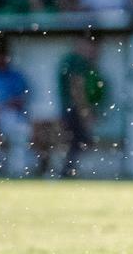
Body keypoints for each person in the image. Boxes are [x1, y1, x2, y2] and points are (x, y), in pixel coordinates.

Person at [58, 35, 104, 178]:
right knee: (77, 139)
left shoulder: (74, 61)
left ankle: (68, 169)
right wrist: (85, 112)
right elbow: (77, 88)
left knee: (76, 140)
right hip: (73, 109)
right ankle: (67, 170)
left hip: (69, 108)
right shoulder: (77, 61)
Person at [0, 41, 31, 176]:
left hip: (10, 116)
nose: (0, 59)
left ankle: (17, 171)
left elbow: (20, 100)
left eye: (3, 56)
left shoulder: (16, 76)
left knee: (20, 131)